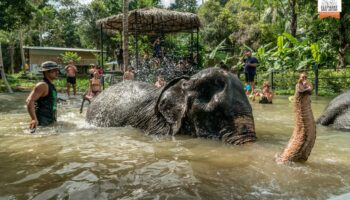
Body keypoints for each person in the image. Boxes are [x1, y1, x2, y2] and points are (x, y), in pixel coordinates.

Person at [26, 61, 59, 132]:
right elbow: (29, 101)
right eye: (54, 70)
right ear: (46, 72)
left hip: (50, 119)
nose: (57, 72)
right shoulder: (42, 85)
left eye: (57, 70)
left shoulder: (51, 85)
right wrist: (34, 119)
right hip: (41, 121)